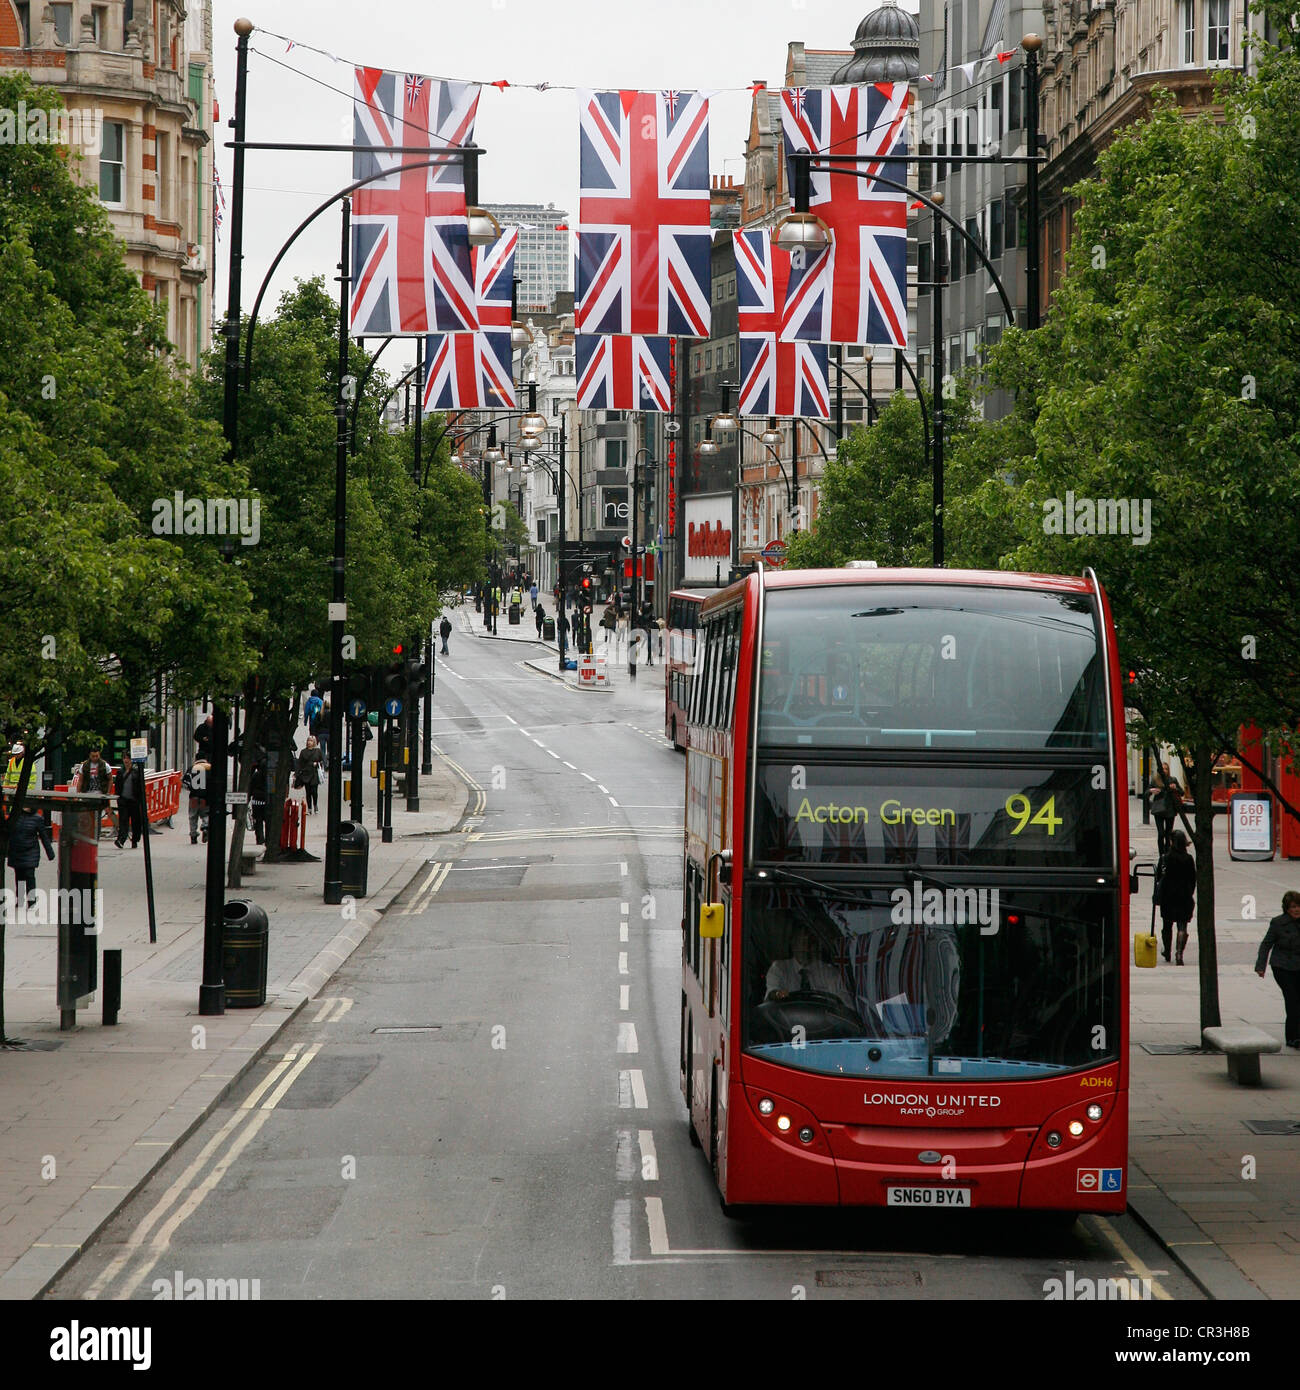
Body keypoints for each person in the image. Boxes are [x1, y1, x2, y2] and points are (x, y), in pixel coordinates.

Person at [765, 927, 854, 1009]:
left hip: (823, 1023)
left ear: (816, 946)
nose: (805, 948)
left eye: (810, 943)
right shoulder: (779, 968)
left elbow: (845, 1005)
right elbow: (772, 993)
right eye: (801, 942)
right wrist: (779, 994)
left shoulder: (829, 972)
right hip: (786, 1023)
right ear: (793, 944)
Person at [1255, 890, 1300, 1048]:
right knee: (1292, 1000)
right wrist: (1261, 966)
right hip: (1283, 967)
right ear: (1287, 908)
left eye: (1298, 906)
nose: (1296, 910)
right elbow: (1266, 944)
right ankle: (1292, 1037)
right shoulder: (1278, 923)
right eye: (1293, 907)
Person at [1155, 828, 1197, 964]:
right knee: (1182, 926)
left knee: (1167, 925)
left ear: (1172, 842)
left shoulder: (1165, 858)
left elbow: (1159, 877)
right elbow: (1193, 879)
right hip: (1184, 896)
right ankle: (1179, 954)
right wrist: (1189, 892)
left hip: (1168, 897)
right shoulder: (1189, 859)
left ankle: (1167, 951)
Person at [7, 806, 54, 908]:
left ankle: (31, 901)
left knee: (29, 875)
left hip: (30, 852)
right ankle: (19, 899)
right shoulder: (16, 816)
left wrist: (50, 853)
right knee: (18, 876)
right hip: (16, 851)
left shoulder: (37, 819)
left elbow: (44, 836)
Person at [1147, 761, 1184, 856]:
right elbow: (1146, 793)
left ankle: (1167, 852)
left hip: (1170, 809)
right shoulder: (1155, 780)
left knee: (1168, 833)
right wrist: (1152, 790)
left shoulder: (1172, 780)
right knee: (1161, 833)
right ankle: (1161, 854)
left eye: (1166, 769)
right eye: (1163, 768)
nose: (1164, 770)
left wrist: (1175, 788)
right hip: (1159, 809)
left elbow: (1182, 792)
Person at [114, 755, 145, 849]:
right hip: (123, 800)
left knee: (136, 821)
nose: (126, 760)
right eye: (124, 758)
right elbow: (117, 785)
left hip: (134, 800)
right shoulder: (120, 772)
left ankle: (135, 840)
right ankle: (121, 840)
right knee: (123, 820)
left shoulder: (137, 772)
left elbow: (141, 786)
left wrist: (141, 799)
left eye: (128, 758)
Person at [183, 759, 210, 844]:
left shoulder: (192, 768)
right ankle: (205, 827)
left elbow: (185, 782)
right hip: (205, 797)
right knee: (206, 814)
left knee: (193, 816)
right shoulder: (209, 768)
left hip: (194, 797)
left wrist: (191, 789)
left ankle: (193, 835)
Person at [295, 735, 324, 815]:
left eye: (311, 741)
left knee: (314, 791)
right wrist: (296, 774)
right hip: (306, 774)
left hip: (314, 774)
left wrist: (318, 764)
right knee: (308, 792)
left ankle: (315, 805)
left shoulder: (318, 751)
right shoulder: (303, 752)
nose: (309, 742)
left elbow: (322, 761)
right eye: (308, 740)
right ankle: (309, 808)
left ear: (314, 742)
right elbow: (300, 763)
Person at [250, 757, 268, 846]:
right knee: (268, 821)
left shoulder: (256, 775)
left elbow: (250, 787)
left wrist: (249, 796)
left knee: (258, 821)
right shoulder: (270, 775)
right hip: (267, 801)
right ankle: (268, 839)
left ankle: (260, 839)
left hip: (256, 801)